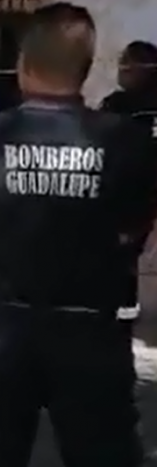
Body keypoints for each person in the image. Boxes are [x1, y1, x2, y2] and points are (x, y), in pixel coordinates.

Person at [0, 2, 157, 467]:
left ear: (22, 64)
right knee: (105, 457)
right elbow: (134, 223)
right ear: (85, 68)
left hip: (6, 324)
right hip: (93, 327)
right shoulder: (126, 142)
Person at [99, 40, 157, 326]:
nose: (121, 69)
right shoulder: (119, 104)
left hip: (128, 193)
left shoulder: (118, 105)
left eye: (126, 62)